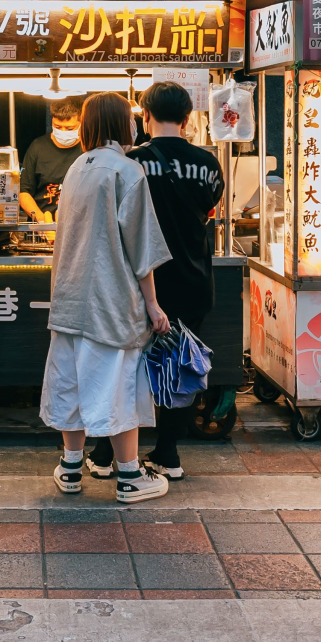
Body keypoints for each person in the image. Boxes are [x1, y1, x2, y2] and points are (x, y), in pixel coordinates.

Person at [42, 92, 173, 505]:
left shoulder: (77, 167)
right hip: (110, 302)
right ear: (121, 123)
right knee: (117, 387)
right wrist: (152, 304)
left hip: (69, 299)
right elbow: (141, 247)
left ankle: (70, 467)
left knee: (71, 384)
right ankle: (130, 476)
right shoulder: (127, 170)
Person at [100, 80, 226, 480]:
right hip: (193, 280)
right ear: (188, 118)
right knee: (180, 366)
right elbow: (209, 207)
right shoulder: (209, 164)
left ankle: (106, 452)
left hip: (139, 284)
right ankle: (168, 454)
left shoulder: (131, 162)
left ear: (145, 115)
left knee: (127, 368)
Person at [18, 98, 84, 220]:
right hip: (42, 224)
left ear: (82, 123)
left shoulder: (89, 150)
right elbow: (24, 192)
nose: (63, 131)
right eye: (58, 126)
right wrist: (42, 222)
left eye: (70, 128)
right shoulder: (38, 147)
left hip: (78, 225)